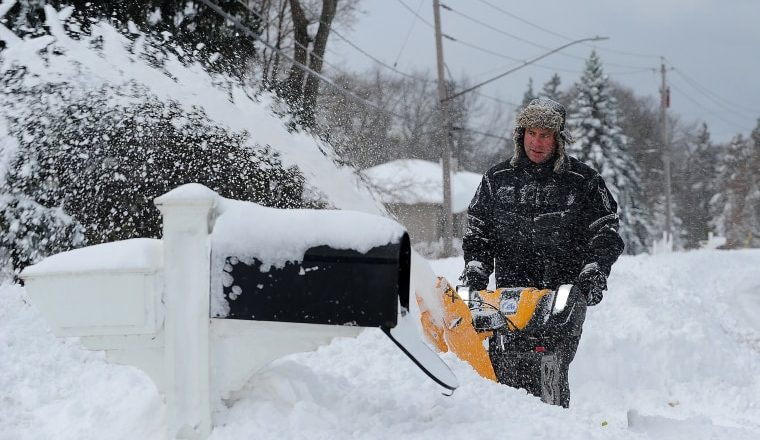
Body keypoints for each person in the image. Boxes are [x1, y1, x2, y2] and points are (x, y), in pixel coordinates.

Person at [461, 97, 624, 407]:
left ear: (558, 139)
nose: (537, 142)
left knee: (548, 363)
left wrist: (594, 270)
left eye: (545, 135)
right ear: (520, 135)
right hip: (510, 297)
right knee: (503, 364)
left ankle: (553, 425)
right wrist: (475, 269)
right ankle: (506, 425)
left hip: (561, 294)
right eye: (531, 133)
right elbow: (478, 232)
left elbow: (606, 233)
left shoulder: (584, 182)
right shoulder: (496, 180)